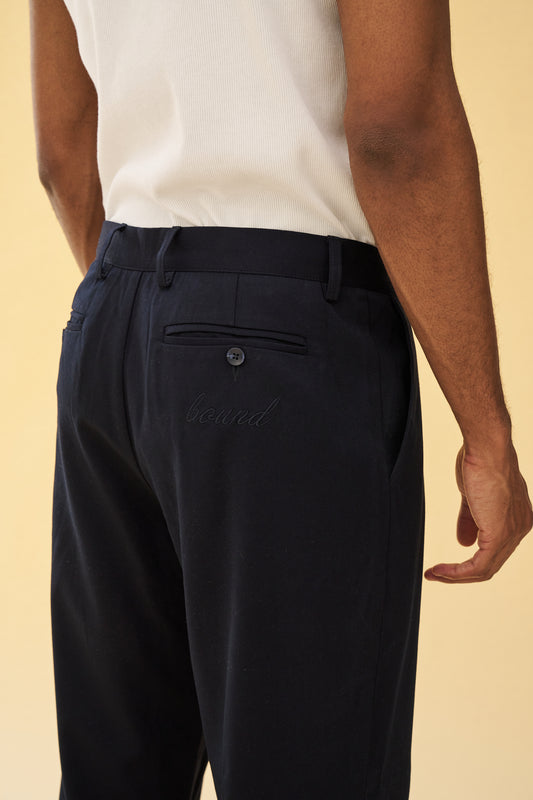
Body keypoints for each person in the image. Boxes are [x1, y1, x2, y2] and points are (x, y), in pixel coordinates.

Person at [29, 0, 532, 798]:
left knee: (115, 776)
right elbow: (395, 130)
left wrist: (161, 331)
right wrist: (485, 430)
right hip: (285, 334)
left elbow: (62, 147)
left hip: (111, 319)